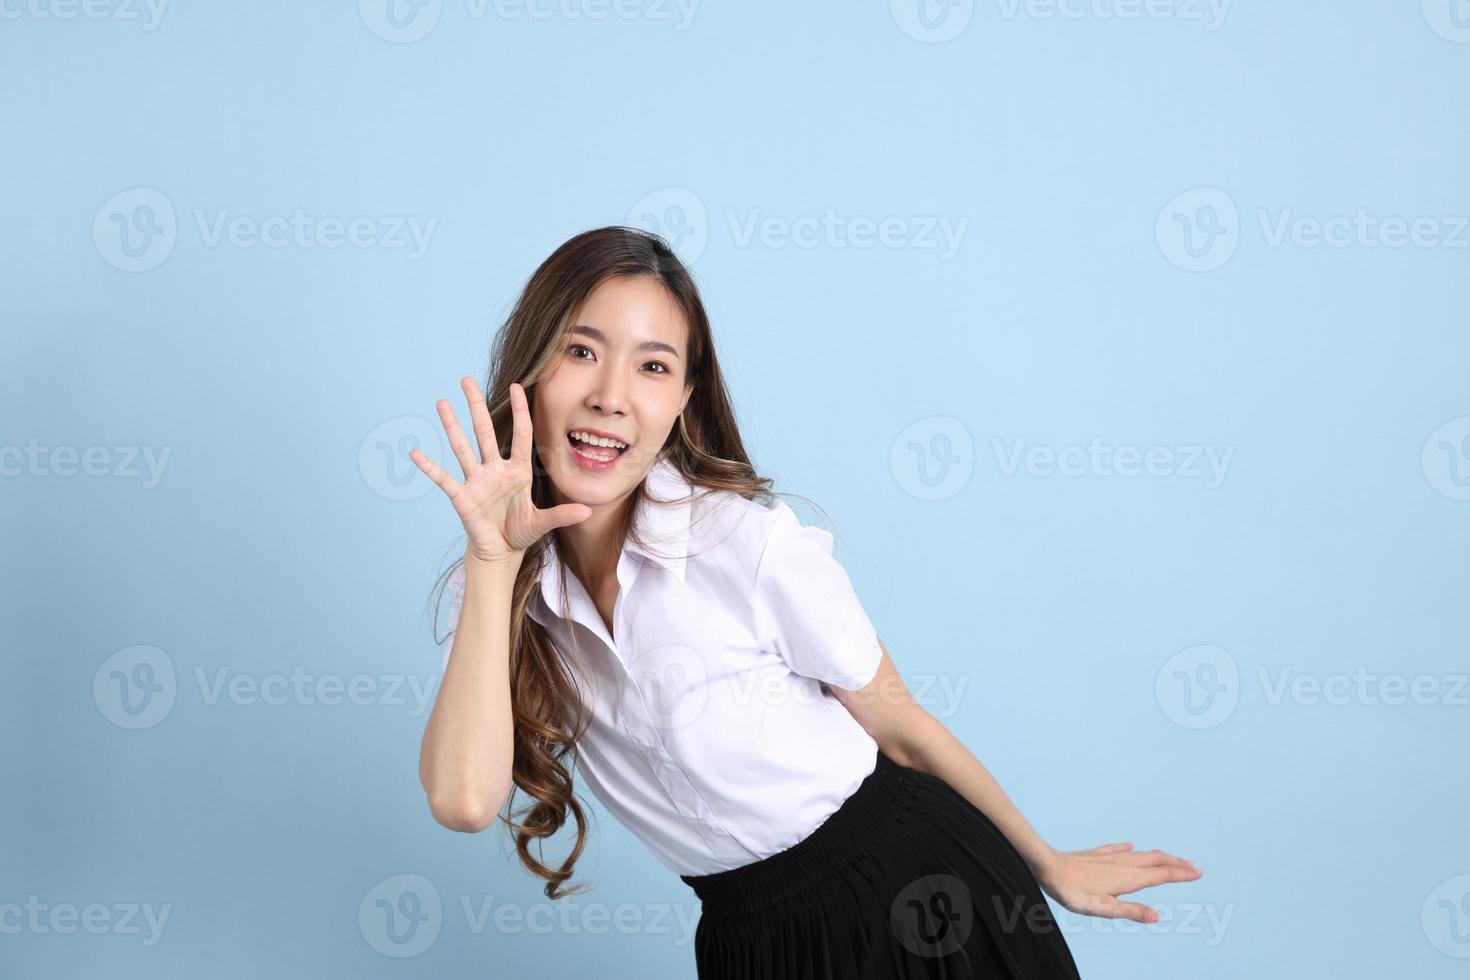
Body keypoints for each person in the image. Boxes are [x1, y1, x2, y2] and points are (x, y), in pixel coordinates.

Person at [411, 226, 1202, 978]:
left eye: (652, 367)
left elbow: (902, 727)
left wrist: (1045, 861)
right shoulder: (495, 588)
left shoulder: (746, 545)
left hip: (916, 886)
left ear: (685, 397)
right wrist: (493, 558)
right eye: (581, 352)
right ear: (530, 373)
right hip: (751, 940)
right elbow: (464, 800)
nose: (611, 396)